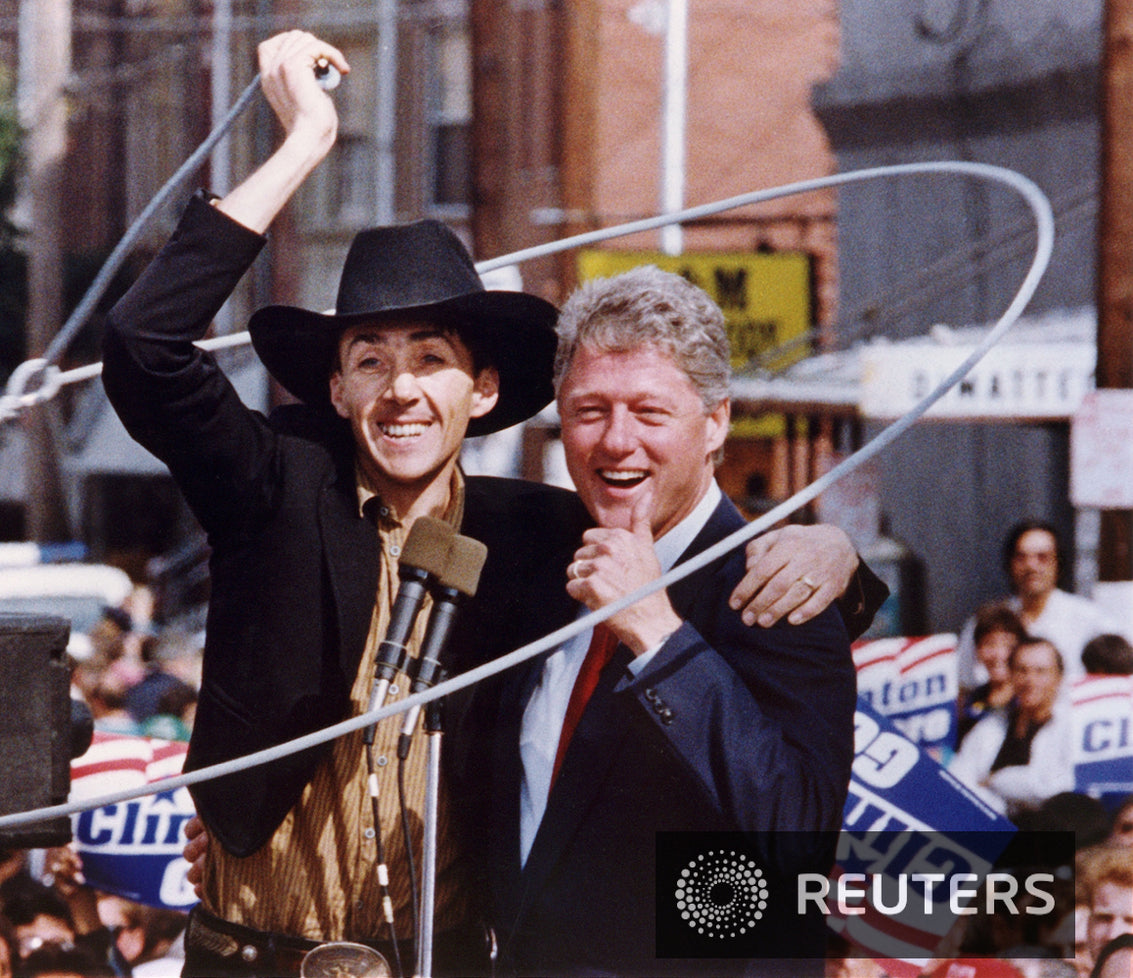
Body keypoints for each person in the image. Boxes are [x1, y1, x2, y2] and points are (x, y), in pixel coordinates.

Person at [103, 29, 878, 977]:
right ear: (335, 390)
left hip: (447, 958)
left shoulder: (536, 535)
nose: (401, 389)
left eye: (431, 359)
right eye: (370, 361)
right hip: (258, 955)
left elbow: (703, 583)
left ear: (481, 391)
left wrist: (834, 551)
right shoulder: (272, 488)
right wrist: (304, 145)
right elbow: (146, 350)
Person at [477, 264, 859, 976]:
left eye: (650, 413)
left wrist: (658, 636)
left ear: (715, 422)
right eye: (590, 411)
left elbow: (797, 840)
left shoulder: (777, 586)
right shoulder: (536, 550)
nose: (616, 441)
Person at [957, 520, 1116, 689]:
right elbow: (963, 684)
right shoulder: (986, 622)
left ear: (1058, 563)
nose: (1031, 566)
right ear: (1010, 564)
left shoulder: (1091, 620)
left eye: (1043, 557)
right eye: (1021, 557)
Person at [948, 637, 1074, 817]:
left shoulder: (1071, 727)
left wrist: (994, 780)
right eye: (1022, 671)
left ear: (1058, 677)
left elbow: (1054, 787)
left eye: (1041, 672)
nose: (1030, 680)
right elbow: (959, 782)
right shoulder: (992, 726)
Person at [957, 602, 1027, 746]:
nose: (998, 654)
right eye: (989, 644)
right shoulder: (970, 702)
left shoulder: (1027, 698)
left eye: (1008, 645)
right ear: (977, 650)